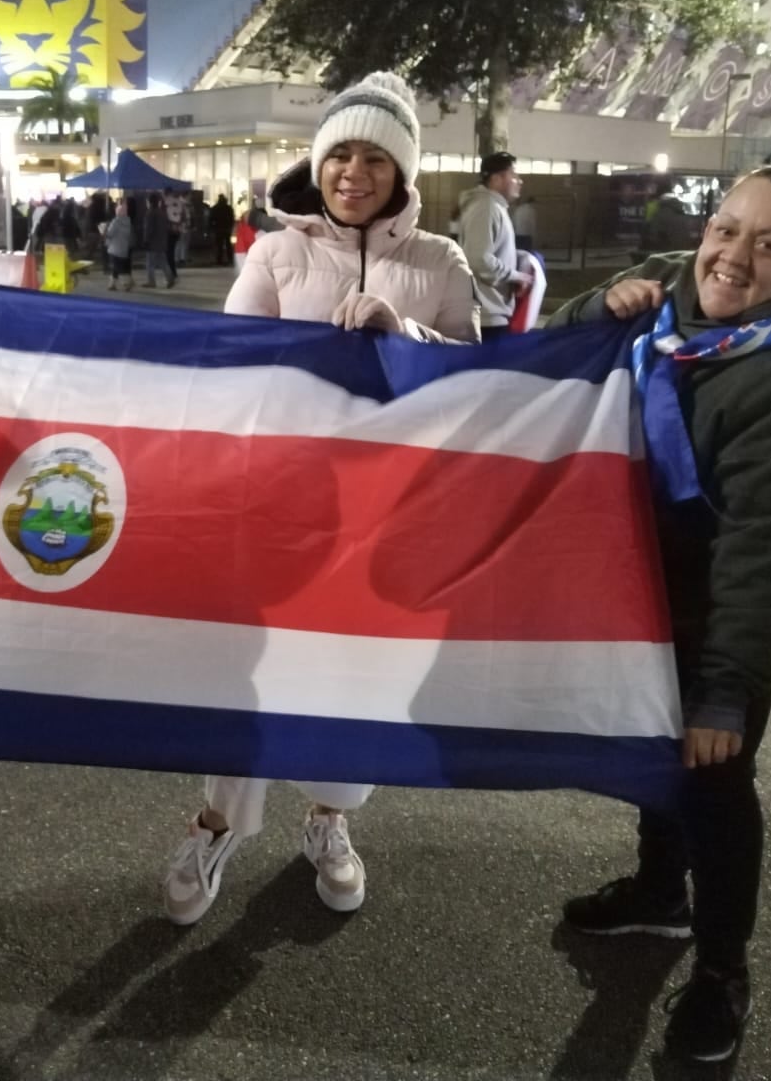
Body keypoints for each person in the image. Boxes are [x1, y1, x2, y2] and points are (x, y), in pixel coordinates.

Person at [550, 164, 771, 1064]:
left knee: (712, 769)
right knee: (659, 741)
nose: (733, 256)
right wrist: (598, 309)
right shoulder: (671, 286)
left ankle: (723, 972)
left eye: (770, 245)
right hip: (649, 577)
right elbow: (555, 352)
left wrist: (725, 693)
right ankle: (661, 893)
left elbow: (761, 557)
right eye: (727, 228)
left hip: (735, 597)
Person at [164, 71, 479, 927]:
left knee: (358, 673)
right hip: (279, 506)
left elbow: (473, 383)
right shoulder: (273, 252)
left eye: (374, 156)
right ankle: (216, 823)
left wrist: (403, 335)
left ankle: (329, 819)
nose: (353, 171)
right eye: (339, 152)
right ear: (317, 161)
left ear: (403, 172)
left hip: (389, 515)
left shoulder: (440, 261)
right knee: (250, 671)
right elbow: (227, 368)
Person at [456, 151, 525, 333]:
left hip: (492, 312)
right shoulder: (486, 208)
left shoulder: (493, 207)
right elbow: (479, 259)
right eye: (514, 175)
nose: (519, 181)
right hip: (487, 315)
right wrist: (517, 276)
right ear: (496, 179)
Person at [142, 194, 174, 289]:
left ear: (150, 202)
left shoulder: (150, 213)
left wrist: (146, 240)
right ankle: (170, 278)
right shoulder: (162, 213)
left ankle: (151, 281)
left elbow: (149, 229)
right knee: (163, 262)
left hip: (153, 243)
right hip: (162, 241)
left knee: (150, 264)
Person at [104, 199, 134, 291]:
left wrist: (104, 230)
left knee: (117, 267)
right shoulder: (128, 221)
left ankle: (127, 283)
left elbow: (110, 234)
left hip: (114, 248)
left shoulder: (116, 221)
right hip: (123, 248)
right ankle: (112, 284)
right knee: (117, 266)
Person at [209, 193, 235, 266]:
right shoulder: (228, 208)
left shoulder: (215, 208)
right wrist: (231, 226)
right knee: (228, 244)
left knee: (219, 245)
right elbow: (231, 218)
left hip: (218, 229)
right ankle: (230, 259)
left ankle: (219, 259)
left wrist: (212, 227)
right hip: (226, 229)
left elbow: (211, 219)